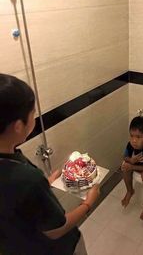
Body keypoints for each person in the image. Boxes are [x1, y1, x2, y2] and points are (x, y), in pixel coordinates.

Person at [0, 73, 99, 255]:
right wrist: (89, 203)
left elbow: (17, 202)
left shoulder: (11, 160)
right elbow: (56, 230)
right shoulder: (27, 178)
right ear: (18, 126)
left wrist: (46, 182)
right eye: (32, 114)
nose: (35, 119)